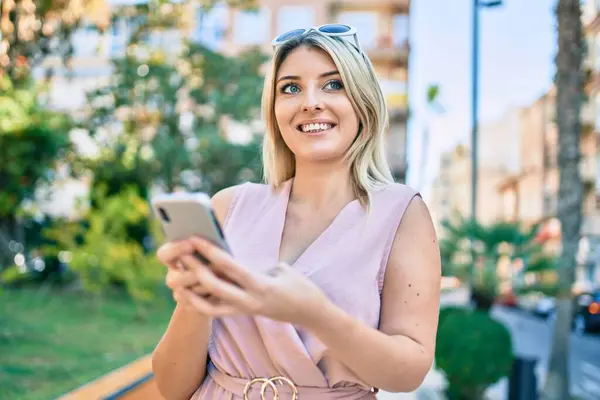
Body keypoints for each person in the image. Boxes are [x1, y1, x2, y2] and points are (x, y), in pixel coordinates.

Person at [152, 24, 441, 400]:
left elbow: (408, 375)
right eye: (290, 88)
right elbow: (172, 388)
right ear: (274, 112)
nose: (310, 102)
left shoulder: (402, 213)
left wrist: (317, 315)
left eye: (333, 84)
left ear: (364, 102)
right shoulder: (230, 206)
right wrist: (195, 300)